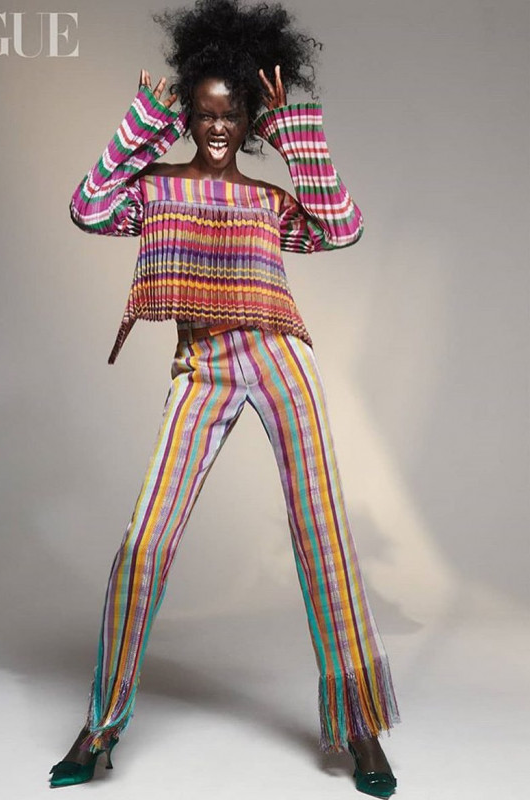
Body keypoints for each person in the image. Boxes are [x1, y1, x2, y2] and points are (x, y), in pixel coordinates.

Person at [50, 0, 400, 795]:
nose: (216, 127)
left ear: (247, 121)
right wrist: (141, 124)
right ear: (188, 114)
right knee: (144, 544)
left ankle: (360, 728)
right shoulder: (156, 189)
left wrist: (292, 132)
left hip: (278, 360)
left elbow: (340, 227)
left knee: (323, 539)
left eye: (230, 115)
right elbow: (87, 208)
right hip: (201, 366)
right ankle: (101, 724)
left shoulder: (268, 203)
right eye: (204, 113)